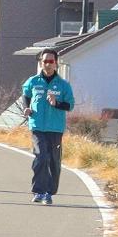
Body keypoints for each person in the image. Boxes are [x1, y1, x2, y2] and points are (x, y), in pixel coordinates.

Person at [23, 48, 75, 204]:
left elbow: (70, 105)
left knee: (53, 160)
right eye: (45, 61)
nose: (47, 64)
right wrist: (27, 107)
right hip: (37, 125)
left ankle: (49, 192)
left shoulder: (63, 85)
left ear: (56, 63)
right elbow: (26, 95)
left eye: (50, 61)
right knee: (41, 156)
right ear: (41, 63)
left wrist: (56, 103)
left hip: (55, 128)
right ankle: (38, 190)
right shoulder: (33, 81)